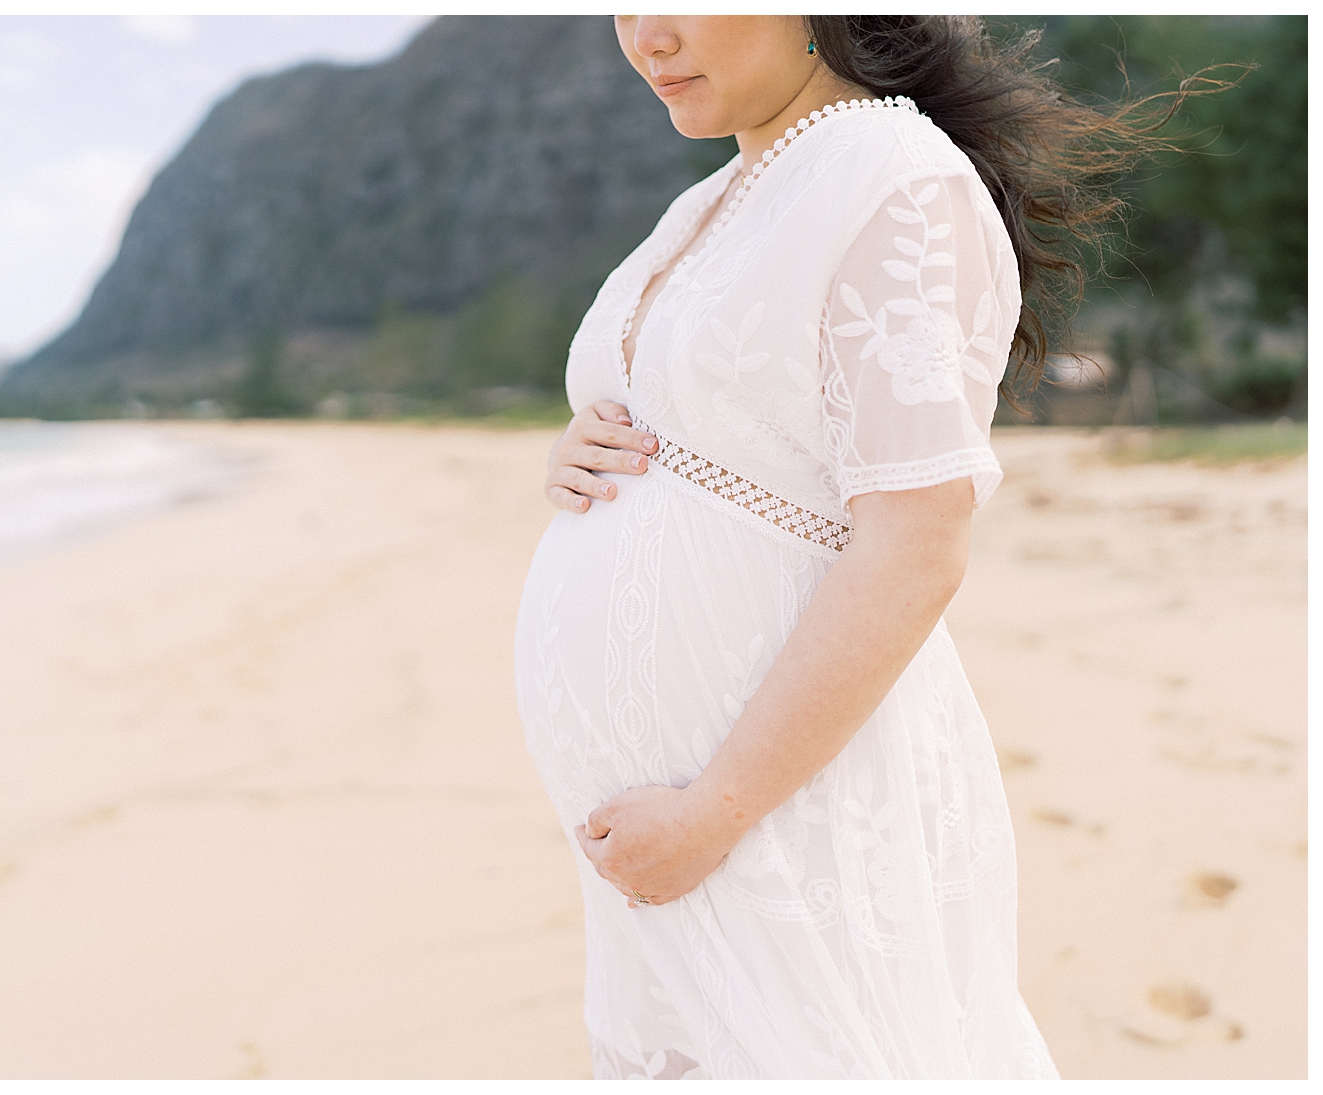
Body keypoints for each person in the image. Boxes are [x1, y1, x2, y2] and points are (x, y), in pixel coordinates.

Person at [513, 14, 1198, 1080]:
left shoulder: (891, 175)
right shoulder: (711, 199)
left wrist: (710, 814)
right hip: (684, 836)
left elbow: (917, 542)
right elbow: (735, 426)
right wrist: (588, 442)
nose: (646, 36)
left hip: (779, 806)